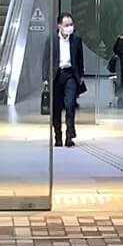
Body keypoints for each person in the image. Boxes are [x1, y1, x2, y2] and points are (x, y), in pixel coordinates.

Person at [50, 12, 85, 147]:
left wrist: (81, 75)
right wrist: (45, 78)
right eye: (66, 25)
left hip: (70, 74)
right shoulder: (52, 39)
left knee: (70, 104)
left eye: (71, 24)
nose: (69, 27)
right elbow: (46, 59)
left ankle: (69, 135)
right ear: (59, 26)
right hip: (57, 75)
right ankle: (57, 135)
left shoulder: (76, 39)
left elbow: (80, 58)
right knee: (57, 107)